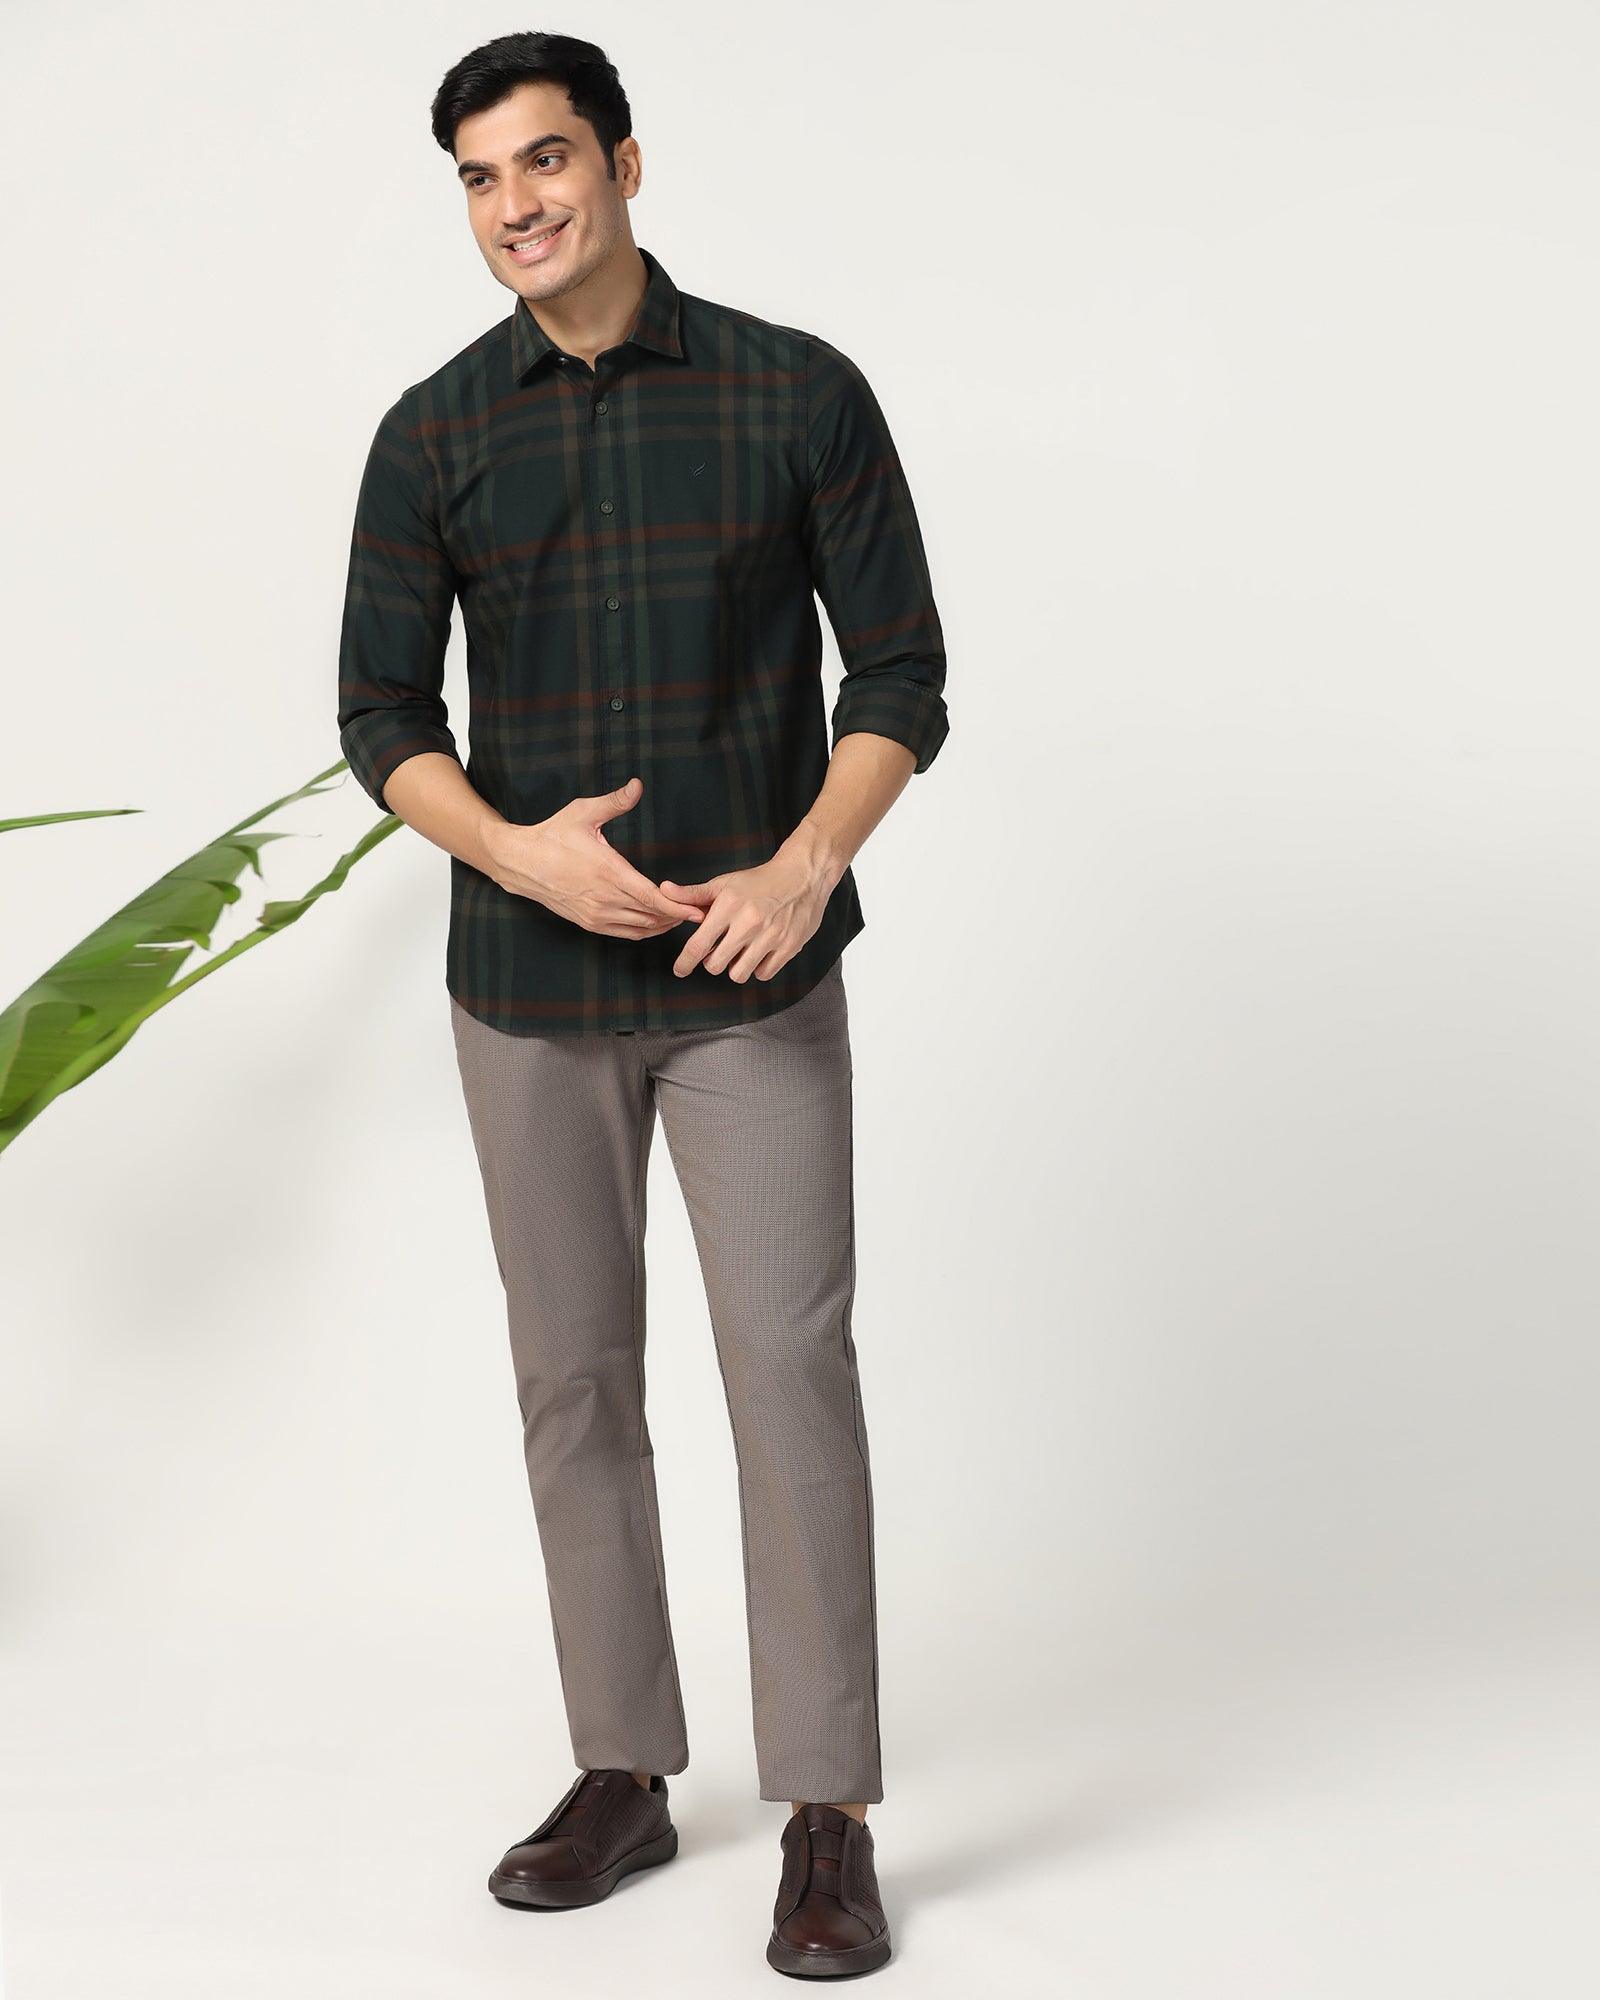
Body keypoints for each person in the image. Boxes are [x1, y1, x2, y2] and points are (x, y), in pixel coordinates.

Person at [335, 29, 948, 1980]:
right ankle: (623, 1768)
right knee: (574, 1383)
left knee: (788, 1370)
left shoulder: (793, 390)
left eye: (543, 160)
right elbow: (378, 715)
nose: (513, 204)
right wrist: (518, 855)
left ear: (620, 160)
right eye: (477, 177)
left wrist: (803, 864)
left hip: (748, 983)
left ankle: (828, 1812)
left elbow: (901, 673)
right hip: (526, 991)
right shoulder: (434, 432)